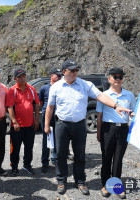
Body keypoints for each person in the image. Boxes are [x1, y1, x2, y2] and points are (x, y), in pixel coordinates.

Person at [44, 60, 131, 195]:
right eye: (72, 70)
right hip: (62, 124)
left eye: (77, 70)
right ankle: (62, 181)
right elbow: (50, 107)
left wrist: (116, 106)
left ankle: (80, 181)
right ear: (64, 72)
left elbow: (101, 96)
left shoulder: (85, 85)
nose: (75, 73)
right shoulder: (55, 87)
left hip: (79, 125)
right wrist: (46, 125)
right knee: (60, 154)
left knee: (79, 155)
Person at [96, 67, 136, 199]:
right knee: (106, 158)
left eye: (120, 77)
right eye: (115, 77)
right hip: (108, 129)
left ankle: (117, 185)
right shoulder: (104, 95)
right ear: (109, 79)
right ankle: (105, 185)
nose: (118, 79)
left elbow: (133, 113)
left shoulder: (129, 95)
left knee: (118, 159)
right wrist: (98, 132)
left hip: (123, 129)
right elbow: (100, 116)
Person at [6, 68, 40, 176]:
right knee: (15, 148)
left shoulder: (31, 89)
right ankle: (14, 167)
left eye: (24, 76)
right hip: (17, 126)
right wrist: (14, 122)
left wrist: (36, 120)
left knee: (29, 147)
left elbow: (36, 105)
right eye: (19, 77)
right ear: (15, 78)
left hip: (30, 125)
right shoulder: (12, 90)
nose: (22, 79)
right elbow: (10, 107)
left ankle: (27, 165)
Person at [39, 67, 62, 173]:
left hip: (58, 117)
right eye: (57, 75)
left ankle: (57, 161)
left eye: (60, 75)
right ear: (51, 75)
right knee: (46, 141)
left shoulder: (62, 88)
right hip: (46, 117)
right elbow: (41, 103)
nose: (59, 77)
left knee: (58, 140)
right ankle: (45, 163)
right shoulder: (44, 88)